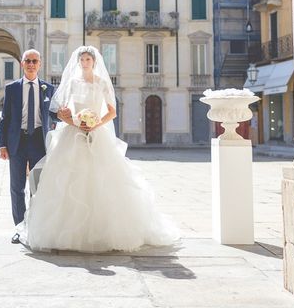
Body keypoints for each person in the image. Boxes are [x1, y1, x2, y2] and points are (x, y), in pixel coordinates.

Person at [18, 46, 179, 252]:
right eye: (82, 60)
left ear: (94, 62)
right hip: (72, 133)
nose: (85, 62)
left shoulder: (102, 83)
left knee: (101, 179)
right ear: (78, 62)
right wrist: (75, 121)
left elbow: (112, 112)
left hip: (97, 133)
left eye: (88, 59)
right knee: (66, 179)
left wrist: (94, 124)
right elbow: (60, 111)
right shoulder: (72, 83)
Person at [0, 49, 54, 244]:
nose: (31, 64)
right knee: (17, 187)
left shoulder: (48, 88)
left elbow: (55, 115)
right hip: (17, 142)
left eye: (34, 61)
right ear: (22, 63)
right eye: (27, 61)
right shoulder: (12, 88)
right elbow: (4, 119)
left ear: (40, 64)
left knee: (37, 188)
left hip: (39, 141)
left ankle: (35, 227)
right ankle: (19, 228)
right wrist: (3, 144)